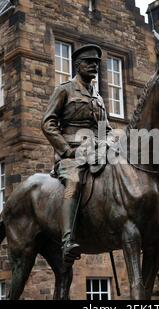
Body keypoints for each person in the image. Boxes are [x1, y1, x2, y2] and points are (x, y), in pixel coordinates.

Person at [42, 44, 112, 264]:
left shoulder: (98, 98)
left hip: (97, 154)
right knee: (75, 180)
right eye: (89, 62)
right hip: (71, 155)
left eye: (97, 63)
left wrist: (107, 144)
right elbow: (48, 123)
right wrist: (66, 150)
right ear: (78, 65)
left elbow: (106, 130)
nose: (94, 66)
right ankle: (67, 239)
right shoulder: (64, 90)